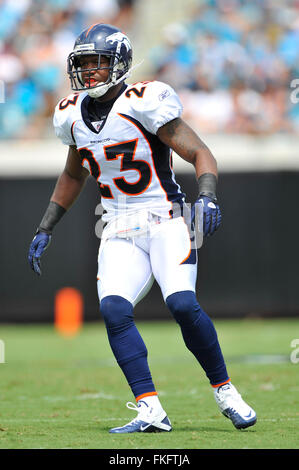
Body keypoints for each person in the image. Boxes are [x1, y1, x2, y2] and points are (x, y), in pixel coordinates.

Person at [28, 23, 256, 433]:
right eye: (83, 64)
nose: (90, 72)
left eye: (98, 63)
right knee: (114, 309)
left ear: (119, 65)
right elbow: (73, 175)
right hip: (116, 225)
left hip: (167, 218)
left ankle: (225, 390)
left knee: (183, 305)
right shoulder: (70, 114)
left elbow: (199, 151)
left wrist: (207, 195)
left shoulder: (144, 100)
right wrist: (46, 226)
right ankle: (150, 408)